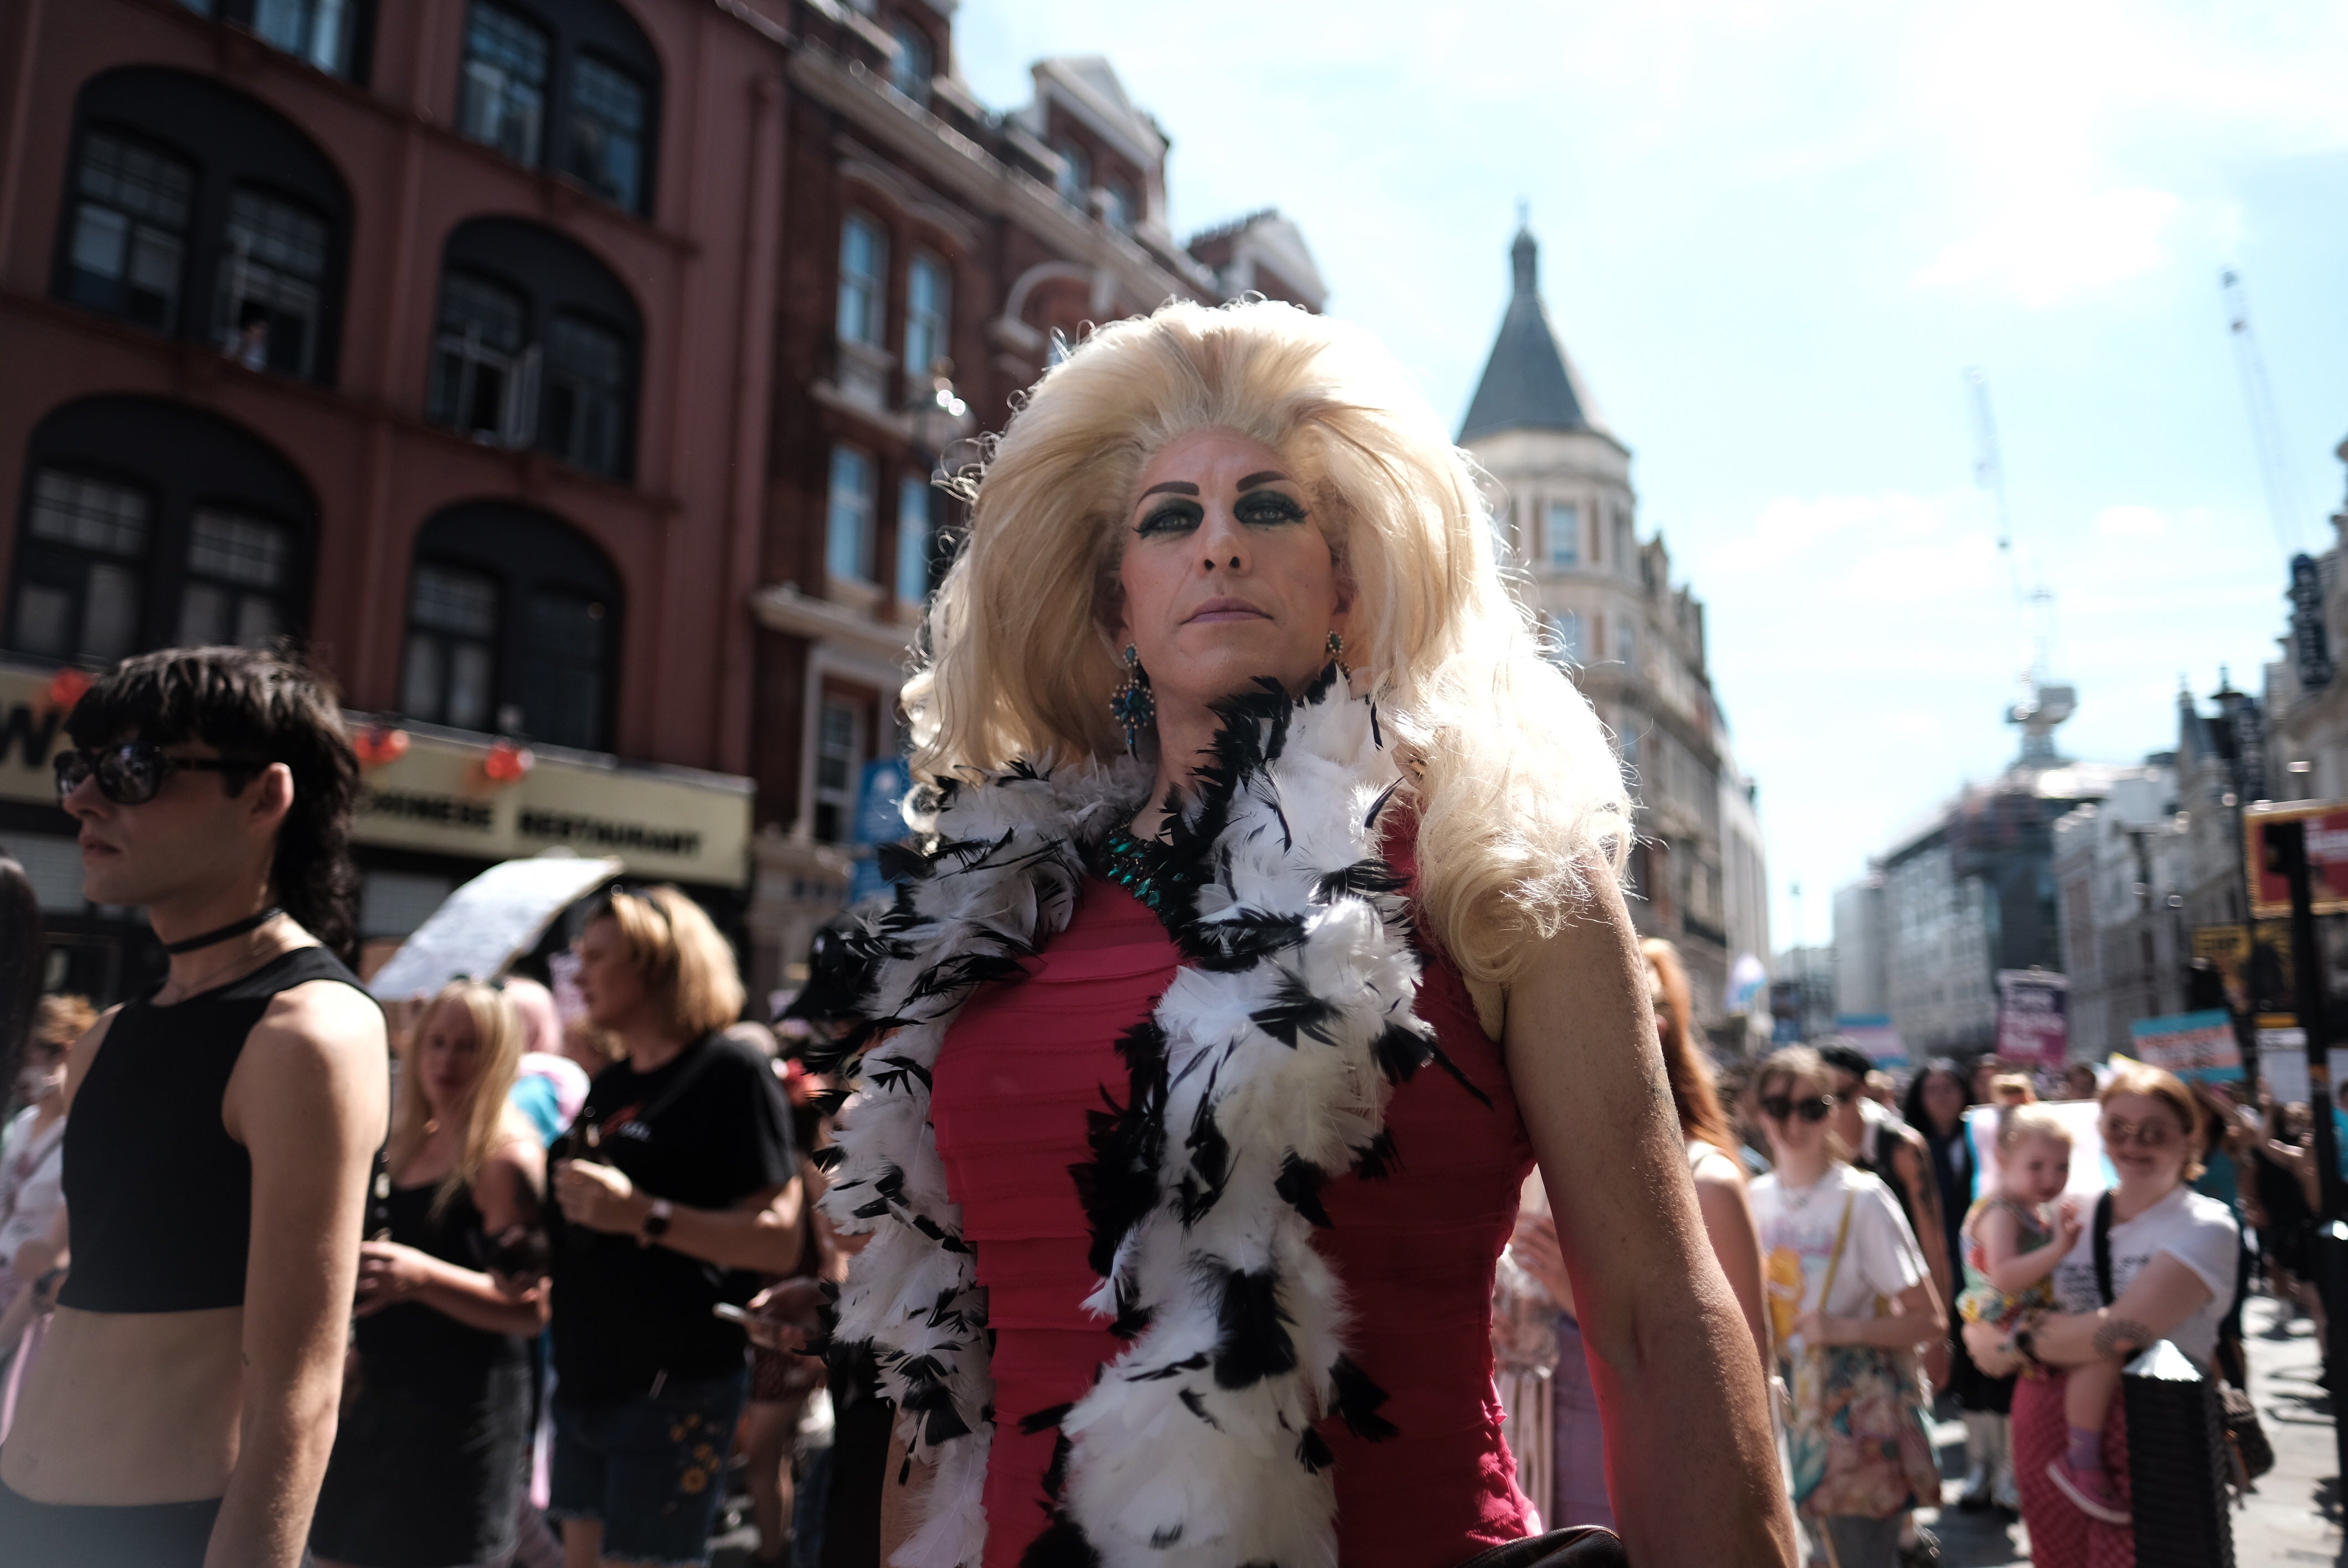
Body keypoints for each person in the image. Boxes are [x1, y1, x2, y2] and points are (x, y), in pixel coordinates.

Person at [817, 300, 1794, 1568]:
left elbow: (1656, 1315)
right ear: (1117, 608)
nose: (1217, 541)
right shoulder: (999, 915)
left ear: (1346, 579)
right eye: (1169, 519)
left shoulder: (1485, 871)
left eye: (1266, 507)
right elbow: (937, 1380)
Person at [0, 645, 389, 1568]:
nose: (83, 799)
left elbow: (300, 1395)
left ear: (264, 797)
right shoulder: (108, 1037)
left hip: (156, 1532)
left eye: (134, 770)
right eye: (79, 769)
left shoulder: (307, 1033)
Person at [547, 885, 802, 1568]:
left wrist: (643, 1215)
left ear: (658, 965)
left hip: (672, 1386)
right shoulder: (612, 1082)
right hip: (584, 1379)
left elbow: (777, 1237)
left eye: (597, 957)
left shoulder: (731, 1072)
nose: (578, 975)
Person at [1511, 937, 1772, 1530]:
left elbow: (1742, 1390)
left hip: (1651, 1500)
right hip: (1538, 1482)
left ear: (1648, 1035)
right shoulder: (1543, 1171)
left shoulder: (1708, 1182)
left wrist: (1580, 1299)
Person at [1964, 1062, 2242, 1568]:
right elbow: (2000, 1288)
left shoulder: (2206, 1225)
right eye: (2118, 1129)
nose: (2133, 1144)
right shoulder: (2074, 1209)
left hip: (2153, 1425)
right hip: (2044, 1418)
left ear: (2189, 1136)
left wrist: (2014, 1343)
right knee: (2056, 1557)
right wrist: (1984, 1325)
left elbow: (2119, 1333)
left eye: (2153, 1131)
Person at [311, 978, 548, 1567]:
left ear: (497, 1057)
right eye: (436, 1042)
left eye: (468, 1046)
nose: (447, 1060)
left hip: (462, 1409)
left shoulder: (503, 1157)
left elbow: (530, 1309)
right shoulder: (409, 1142)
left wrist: (422, 1277)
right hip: (384, 1398)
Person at [1749, 1047, 1942, 1568]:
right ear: (1758, 1111)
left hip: (1851, 1422)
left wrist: (1841, 1328)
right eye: (1779, 1107)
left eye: (1811, 1108)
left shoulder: (1864, 1198)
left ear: (1833, 1111)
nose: (1794, 1123)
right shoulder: (1752, 1197)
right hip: (1779, 1415)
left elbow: (1929, 1319)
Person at [1952, 1106, 2120, 1521]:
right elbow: (2005, 1276)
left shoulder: (2029, 1208)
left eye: (2061, 1167)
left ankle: (2021, 1475)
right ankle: (2006, 1473)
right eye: (2037, 1166)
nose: (2051, 1178)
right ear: (2003, 1159)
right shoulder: (2001, 1213)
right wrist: (2059, 1248)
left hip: (2022, 1325)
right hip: (2001, 1325)